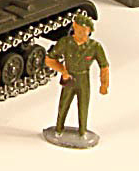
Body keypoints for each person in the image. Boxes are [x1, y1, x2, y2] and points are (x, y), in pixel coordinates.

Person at [44, 13, 109, 143]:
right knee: (63, 105)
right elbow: (49, 59)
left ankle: (82, 132)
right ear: (74, 26)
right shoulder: (65, 42)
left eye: (84, 30)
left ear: (89, 30)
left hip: (83, 78)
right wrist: (63, 70)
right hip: (69, 77)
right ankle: (58, 129)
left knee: (83, 106)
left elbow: (104, 66)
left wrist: (104, 84)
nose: (81, 33)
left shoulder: (95, 47)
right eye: (79, 29)